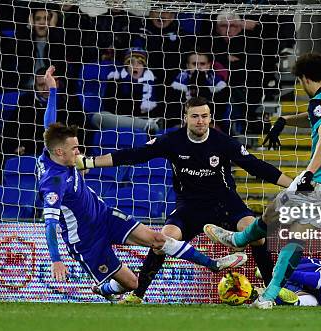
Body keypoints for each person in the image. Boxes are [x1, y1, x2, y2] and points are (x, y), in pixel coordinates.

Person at [39, 66, 246, 299]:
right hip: (85, 239)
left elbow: (50, 125)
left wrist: (53, 91)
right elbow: (49, 225)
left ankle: (213, 264)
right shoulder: (53, 182)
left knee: (157, 239)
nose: (79, 152)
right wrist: (56, 260)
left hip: (104, 215)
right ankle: (104, 289)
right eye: (74, 148)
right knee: (131, 283)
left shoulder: (52, 151)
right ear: (59, 151)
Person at [75, 96, 293, 304]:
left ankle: (270, 289)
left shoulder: (224, 142)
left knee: (255, 234)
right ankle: (138, 294)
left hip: (225, 203)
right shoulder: (172, 141)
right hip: (189, 206)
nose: (201, 121)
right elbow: (134, 154)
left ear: (211, 118)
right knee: (163, 240)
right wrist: (90, 162)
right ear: (185, 118)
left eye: (205, 116)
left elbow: (258, 167)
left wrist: (293, 186)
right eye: (195, 116)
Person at [204, 53, 321, 309]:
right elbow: (320, 116)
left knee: (285, 223)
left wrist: (309, 173)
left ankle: (252, 265)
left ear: (304, 79)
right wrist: (286, 120)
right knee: (282, 217)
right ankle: (249, 258)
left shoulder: (319, 101)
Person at [92, 48, 165, 134]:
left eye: (140, 63)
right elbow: (111, 109)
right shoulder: (115, 82)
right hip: (119, 123)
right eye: (132, 63)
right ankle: (146, 125)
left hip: (146, 123)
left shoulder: (155, 84)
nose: (136, 66)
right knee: (98, 117)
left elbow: (158, 112)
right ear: (126, 66)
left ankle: (148, 125)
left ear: (144, 67)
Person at [168, 51, 229, 130]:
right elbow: (173, 112)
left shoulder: (218, 85)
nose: (198, 67)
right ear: (187, 65)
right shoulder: (177, 85)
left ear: (208, 65)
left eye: (202, 64)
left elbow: (220, 112)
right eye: (194, 64)